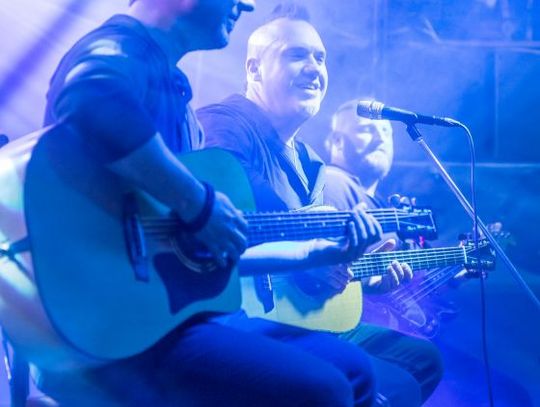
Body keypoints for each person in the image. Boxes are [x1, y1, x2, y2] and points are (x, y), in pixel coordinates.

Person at [22, 0, 380, 406]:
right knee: (325, 389)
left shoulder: (178, 100)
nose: (247, 5)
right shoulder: (117, 48)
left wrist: (309, 254)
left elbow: (197, 252)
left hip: (174, 316)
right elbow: (90, 98)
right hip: (115, 331)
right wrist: (198, 203)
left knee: (355, 370)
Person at [196, 4, 436, 407]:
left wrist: (364, 276)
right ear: (254, 69)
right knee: (370, 381)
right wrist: (316, 252)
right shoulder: (226, 124)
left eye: (320, 58)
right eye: (296, 55)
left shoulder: (311, 163)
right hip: (238, 319)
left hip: (297, 317)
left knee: (422, 361)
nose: (314, 69)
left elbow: (315, 274)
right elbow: (230, 221)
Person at [324, 98, 444, 405]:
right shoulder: (334, 184)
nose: (380, 137)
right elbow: (331, 278)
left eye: (387, 132)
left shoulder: (379, 204)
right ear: (336, 141)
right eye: (367, 129)